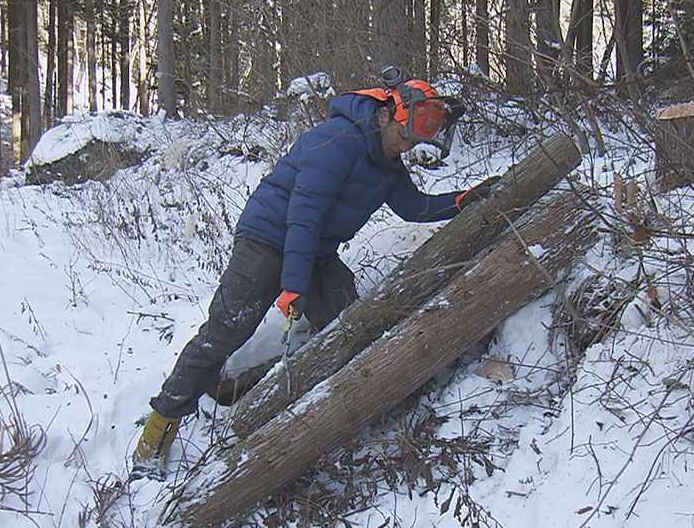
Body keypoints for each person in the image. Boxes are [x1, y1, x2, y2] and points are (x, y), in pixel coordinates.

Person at [133, 72, 498, 473]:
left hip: (315, 251)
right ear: (386, 116)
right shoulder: (339, 141)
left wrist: (464, 199)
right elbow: (302, 216)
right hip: (267, 238)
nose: (407, 148)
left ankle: (283, 388)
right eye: (405, 136)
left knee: (350, 323)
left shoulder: (386, 163)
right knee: (226, 332)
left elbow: (414, 207)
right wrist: (292, 285)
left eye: (415, 142)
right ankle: (158, 429)